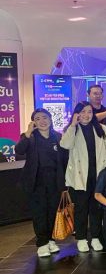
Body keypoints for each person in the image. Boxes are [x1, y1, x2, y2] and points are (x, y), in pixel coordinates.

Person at [60, 102, 106, 252]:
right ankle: (81, 238)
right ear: (76, 114)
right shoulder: (71, 129)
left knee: (96, 208)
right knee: (81, 209)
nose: (86, 115)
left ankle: (95, 237)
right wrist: (73, 125)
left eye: (89, 112)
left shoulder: (101, 128)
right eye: (82, 112)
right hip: (80, 176)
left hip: (98, 175)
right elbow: (65, 145)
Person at [15, 108, 66, 257]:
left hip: (54, 181)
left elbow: (64, 159)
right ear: (33, 123)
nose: (42, 121)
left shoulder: (58, 136)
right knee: (40, 213)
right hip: (36, 181)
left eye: (44, 117)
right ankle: (42, 243)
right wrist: (27, 133)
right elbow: (19, 150)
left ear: (50, 119)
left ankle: (50, 240)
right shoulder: (29, 137)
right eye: (37, 119)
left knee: (52, 212)